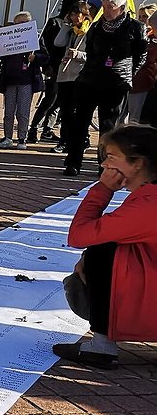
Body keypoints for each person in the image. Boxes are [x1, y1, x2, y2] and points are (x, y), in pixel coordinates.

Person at [53, 125, 157, 369]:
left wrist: (103, 190)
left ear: (137, 164)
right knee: (104, 247)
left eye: (111, 158)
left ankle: (102, 346)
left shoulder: (149, 204)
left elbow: (79, 235)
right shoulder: (149, 196)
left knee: (102, 251)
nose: (104, 166)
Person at [62, 0, 148, 176]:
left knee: (108, 126)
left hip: (116, 82)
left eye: (111, 7)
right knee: (80, 121)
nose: (106, 10)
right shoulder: (96, 26)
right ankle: (73, 162)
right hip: (91, 78)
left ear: (122, 8)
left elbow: (141, 54)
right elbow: (92, 51)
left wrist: (129, 74)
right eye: (104, 6)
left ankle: (105, 165)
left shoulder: (135, 27)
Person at [31, 0, 83, 141]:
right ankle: (34, 128)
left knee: (61, 101)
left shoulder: (79, 27)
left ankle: (48, 128)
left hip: (69, 67)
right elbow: (48, 45)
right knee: (50, 99)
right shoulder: (55, 22)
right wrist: (47, 65)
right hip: (54, 66)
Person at [0, 11, 46, 149]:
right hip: (10, 80)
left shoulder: (36, 38)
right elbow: (0, 56)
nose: (19, 26)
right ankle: (7, 137)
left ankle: (22, 138)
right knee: (8, 112)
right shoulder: (8, 37)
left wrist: (36, 58)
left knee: (23, 112)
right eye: (17, 23)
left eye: (23, 23)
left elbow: (45, 57)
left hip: (26, 81)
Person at [49, 0, 92, 153]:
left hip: (79, 76)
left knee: (77, 111)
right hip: (65, 74)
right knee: (65, 111)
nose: (74, 17)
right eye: (71, 14)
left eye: (77, 14)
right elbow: (58, 42)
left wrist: (78, 54)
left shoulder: (90, 31)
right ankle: (64, 140)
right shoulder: (71, 30)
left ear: (84, 15)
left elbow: (93, 55)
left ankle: (81, 139)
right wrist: (66, 26)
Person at [125, 13, 156, 126]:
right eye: (141, 16)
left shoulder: (152, 40)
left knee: (136, 119)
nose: (143, 19)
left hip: (144, 81)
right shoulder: (145, 36)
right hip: (133, 79)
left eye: (145, 16)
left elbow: (149, 58)